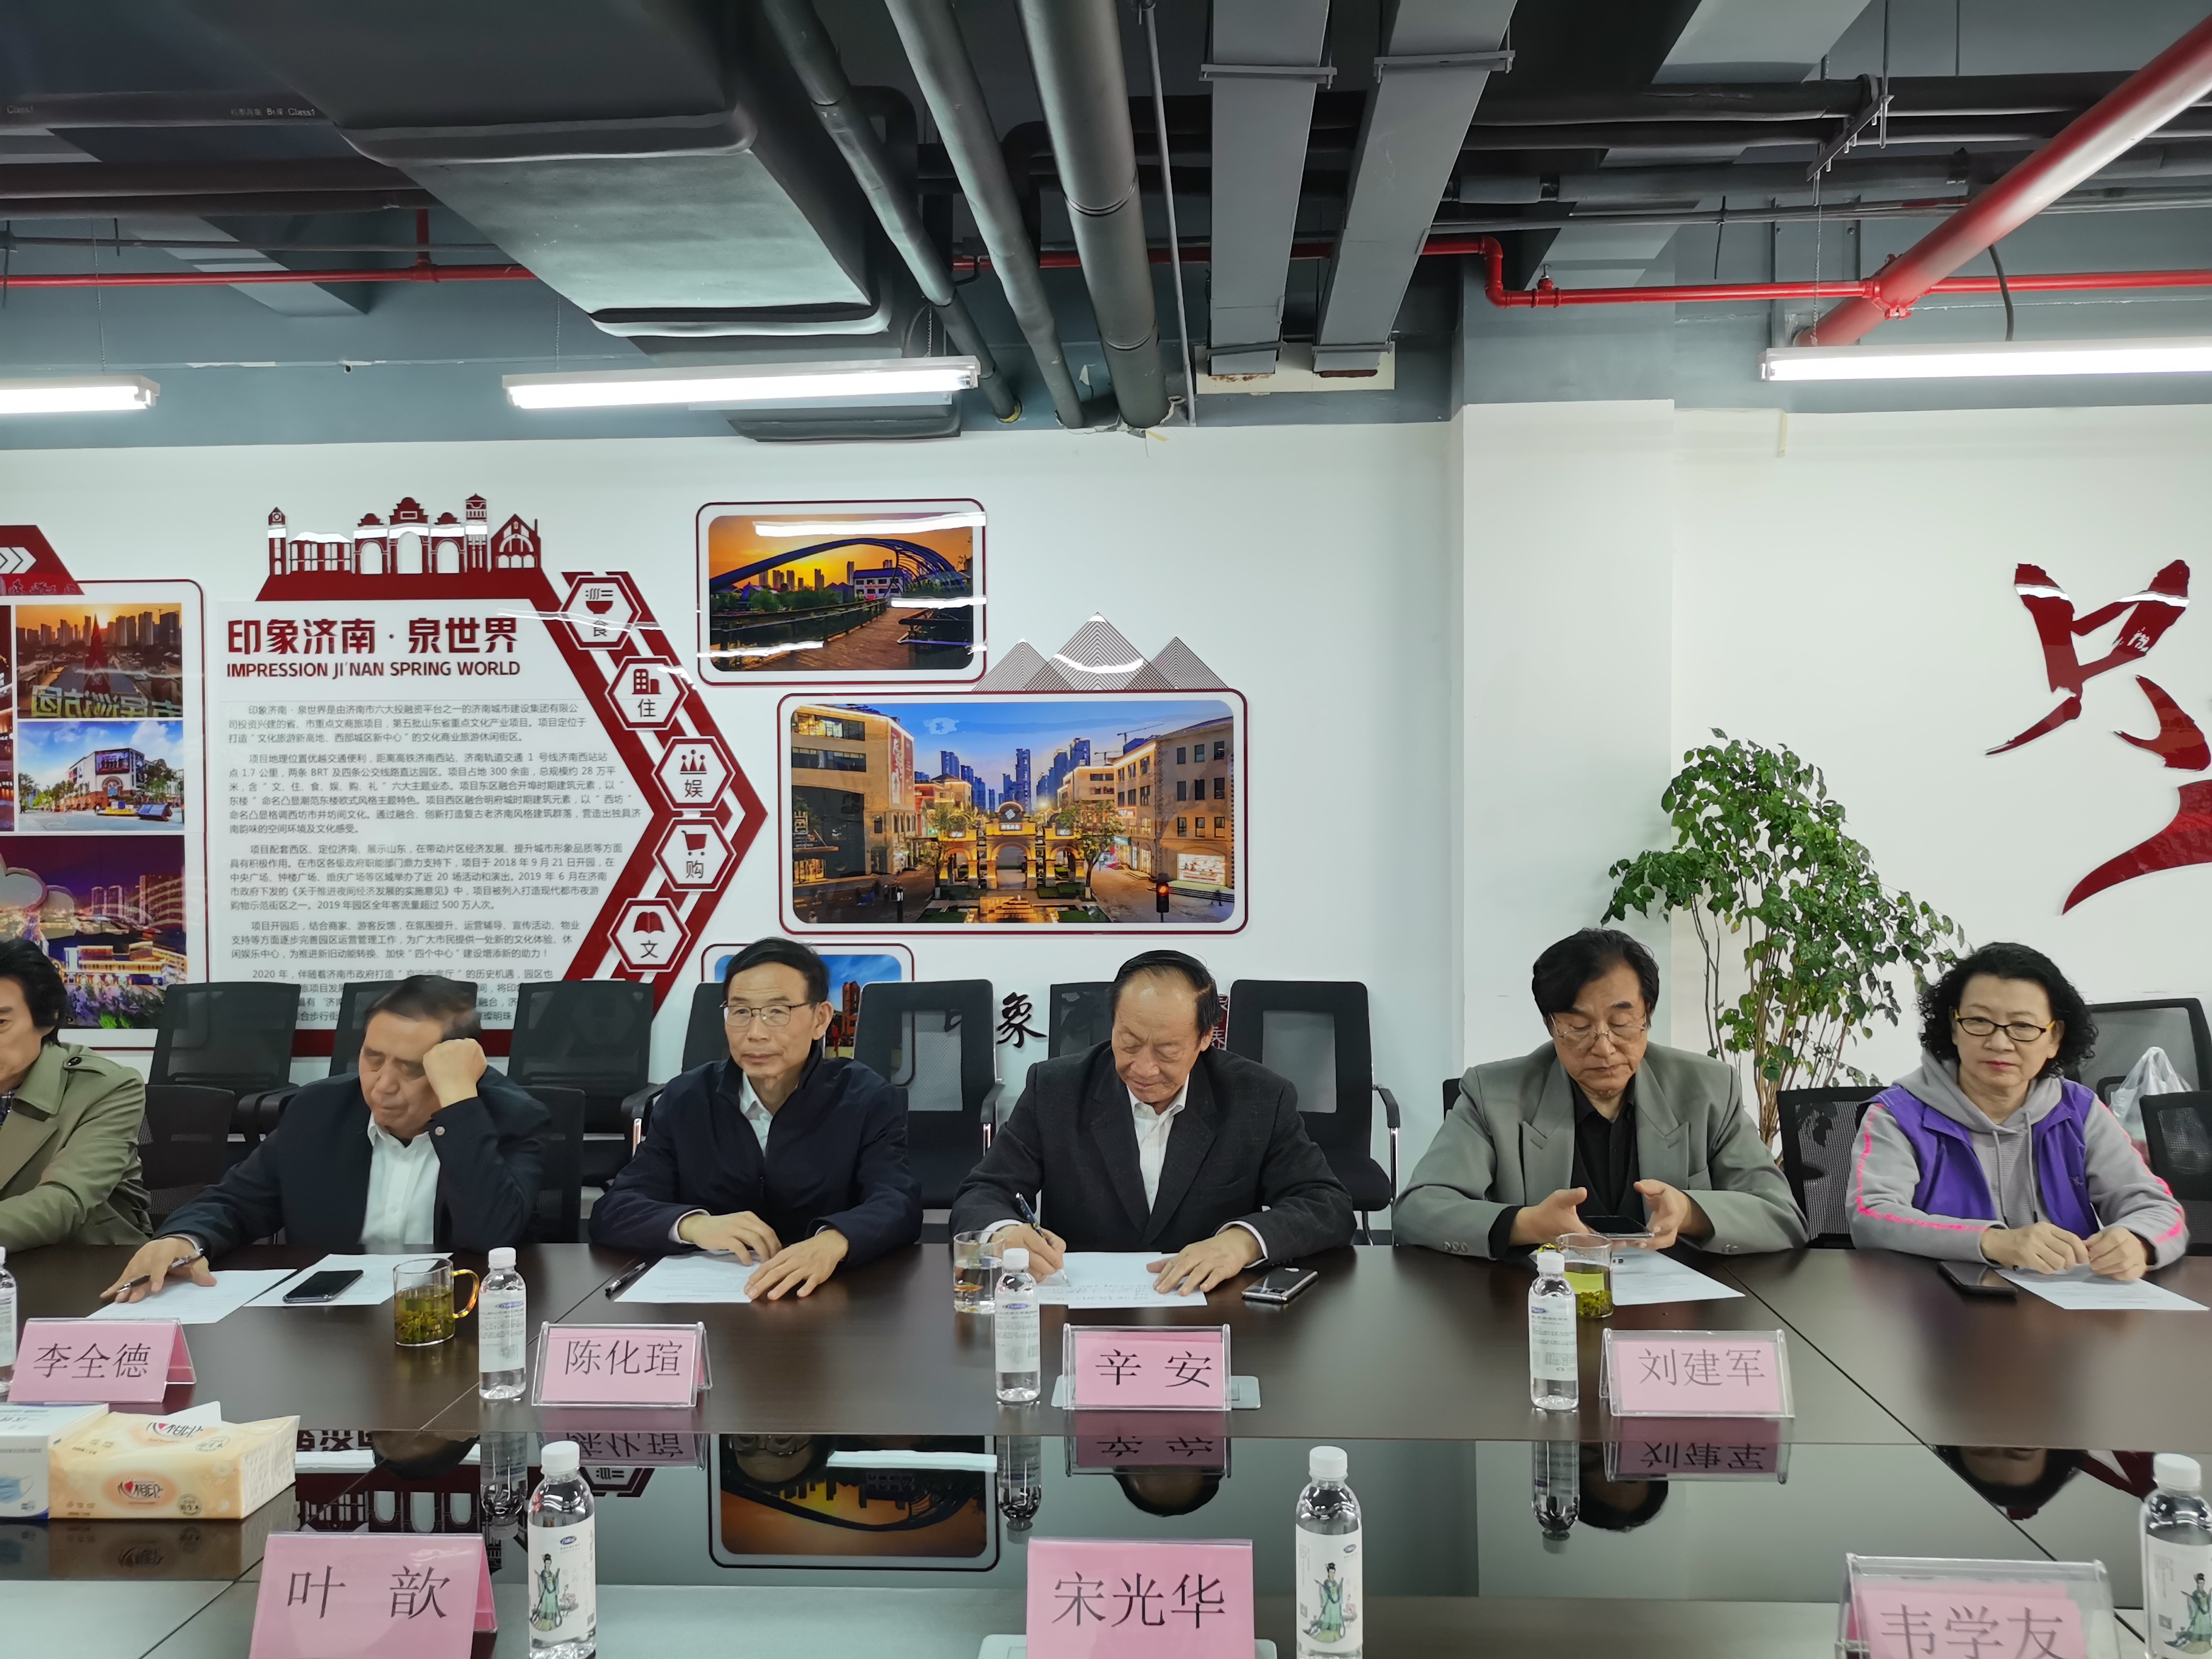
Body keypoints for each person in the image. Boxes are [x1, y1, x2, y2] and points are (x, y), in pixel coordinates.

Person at [104, 975, 546, 1301]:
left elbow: (491, 1236)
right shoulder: (318, 1111)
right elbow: (236, 1201)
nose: (383, 1086)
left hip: (457, 1316)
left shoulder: (511, 1118)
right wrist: (183, 1239)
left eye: (412, 1068)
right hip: (333, 1325)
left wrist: (458, 1106)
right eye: (373, 1059)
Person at [950, 950, 1353, 1295]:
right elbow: (982, 1192)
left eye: (1167, 1051)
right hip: (1080, 1308)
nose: (1143, 1068)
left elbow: (1326, 1205)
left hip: (1209, 1308)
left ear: (1205, 1038)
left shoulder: (1258, 1097)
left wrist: (1242, 1242)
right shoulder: (1056, 1089)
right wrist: (1004, 1234)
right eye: (1128, 1042)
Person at [1396, 929, 1806, 1259]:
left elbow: (1781, 1215)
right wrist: (1528, 1224)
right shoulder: (1494, 1094)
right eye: (1578, 1027)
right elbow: (1418, 1210)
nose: (1604, 1047)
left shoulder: (1708, 1088)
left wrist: (1691, 1212)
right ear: (1551, 1025)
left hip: (1676, 1312)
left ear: (1647, 1015)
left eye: (1622, 1023)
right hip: (1539, 1308)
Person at [589, 937, 920, 1299]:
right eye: (741, 1012)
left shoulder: (865, 1098)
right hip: (709, 1302)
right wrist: (694, 1226)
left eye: (778, 1011)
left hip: (828, 1299)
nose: (756, 1033)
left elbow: (897, 1202)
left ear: (821, 1019)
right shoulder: (687, 1098)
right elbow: (615, 1209)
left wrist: (835, 1240)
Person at [1849, 942, 2185, 1275]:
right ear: (1953, 1027)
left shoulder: (2079, 1111)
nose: (1999, 1043)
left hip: (2066, 1301)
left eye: (2023, 1026)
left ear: (2054, 1037)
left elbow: (2158, 1209)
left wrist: (2139, 1242)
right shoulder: (1898, 1114)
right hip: (1935, 1300)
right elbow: (1871, 1217)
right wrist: (1993, 1242)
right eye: (1978, 1021)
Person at [0, 938, 150, 1250]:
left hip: (88, 1263)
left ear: (47, 1018)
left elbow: (63, 1202)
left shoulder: (109, 1086)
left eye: (1, 1022)